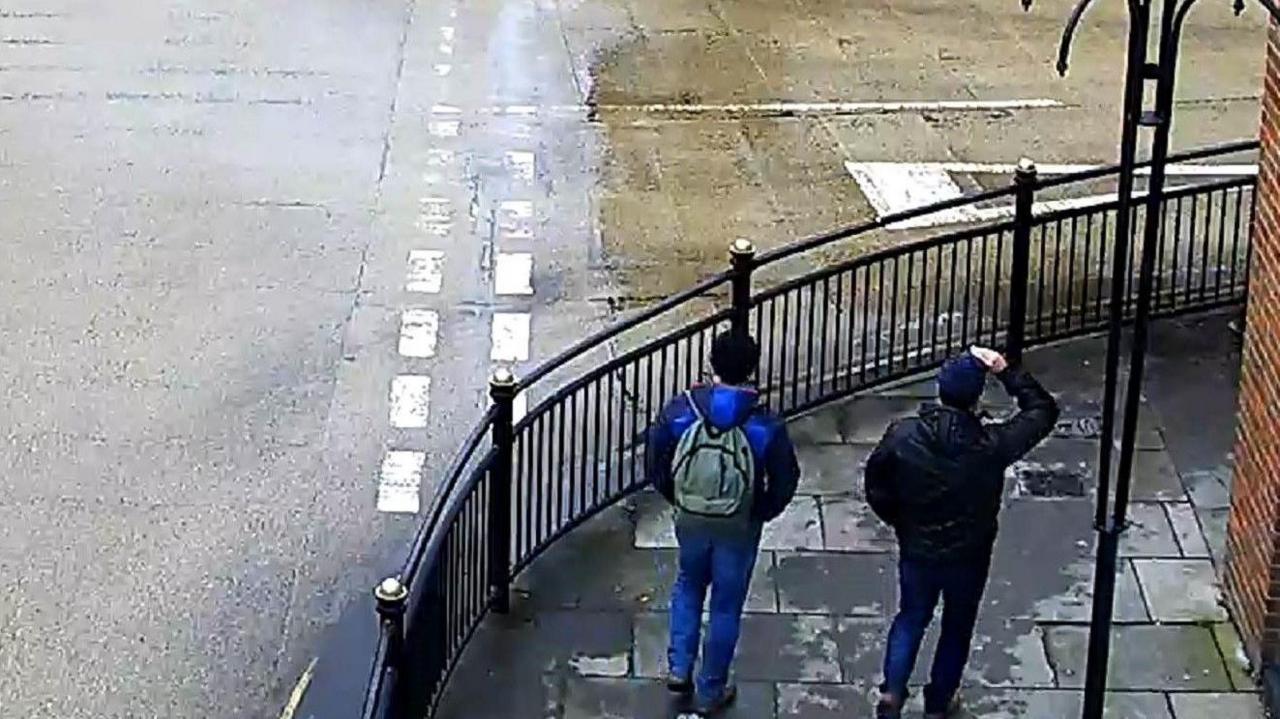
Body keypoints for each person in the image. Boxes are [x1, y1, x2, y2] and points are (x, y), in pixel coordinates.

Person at [865, 346, 1059, 719]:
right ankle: (939, 701)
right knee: (957, 626)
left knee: (910, 617)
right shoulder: (992, 445)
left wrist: (900, 520)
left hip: (918, 547)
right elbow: (1042, 411)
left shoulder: (903, 435)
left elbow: (876, 483)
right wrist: (1005, 370)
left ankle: (891, 692)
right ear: (976, 397)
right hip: (969, 553)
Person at [646, 330, 801, 716]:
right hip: (738, 524)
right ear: (752, 369)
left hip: (691, 518)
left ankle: (679, 665)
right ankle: (711, 689)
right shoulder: (765, 424)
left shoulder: (682, 410)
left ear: (711, 362)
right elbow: (785, 481)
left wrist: (678, 498)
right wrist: (758, 511)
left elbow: (655, 462)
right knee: (726, 605)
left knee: (688, 583)